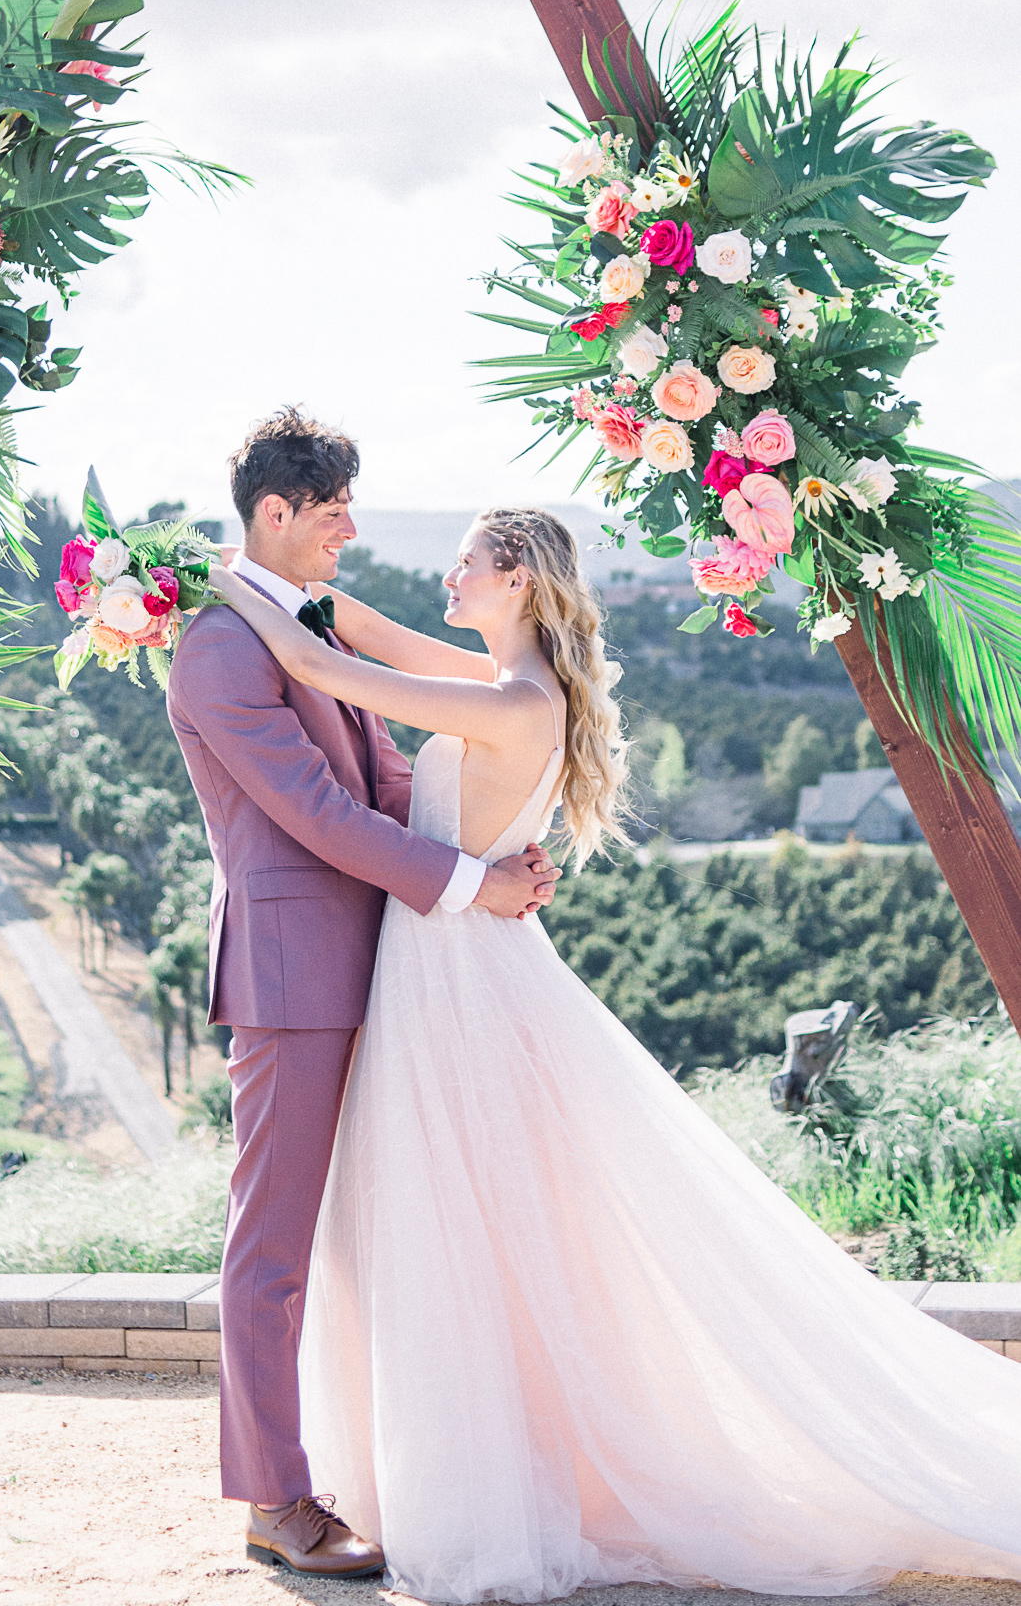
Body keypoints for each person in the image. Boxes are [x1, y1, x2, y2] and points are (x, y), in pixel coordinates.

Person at [210, 503, 1021, 1604]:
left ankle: (485, 1485)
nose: (446, 574)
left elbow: (317, 656)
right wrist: (273, 573)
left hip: (454, 977)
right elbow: (355, 623)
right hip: (453, 963)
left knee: (460, 1223)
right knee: (469, 1225)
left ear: (521, 584)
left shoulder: (509, 700)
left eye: (466, 564)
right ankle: (468, 1463)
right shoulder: (506, 680)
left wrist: (182, 571)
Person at [166, 410, 560, 1580]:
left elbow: (384, 775)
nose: (350, 524)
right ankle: (276, 1499)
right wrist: (467, 883)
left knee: (372, 1235)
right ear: (273, 512)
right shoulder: (224, 649)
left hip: (386, 962)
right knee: (273, 1246)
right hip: (293, 979)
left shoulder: (292, 625)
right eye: (332, 506)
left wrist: (477, 850)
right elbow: (318, 816)